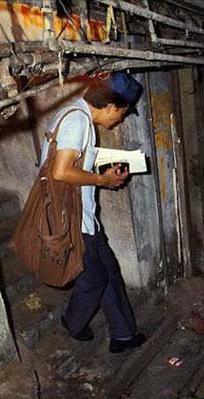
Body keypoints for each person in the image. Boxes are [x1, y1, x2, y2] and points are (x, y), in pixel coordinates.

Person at [39, 72, 146, 353]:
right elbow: (61, 171)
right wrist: (103, 180)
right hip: (71, 220)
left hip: (84, 215)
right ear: (110, 106)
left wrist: (102, 171)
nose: (121, 119)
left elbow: (73, 164)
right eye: (123, 113)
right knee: (94, 279)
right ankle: (72, 321)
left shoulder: (77, 115)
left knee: (109, 270)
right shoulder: (77, 120)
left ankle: (123, 335)